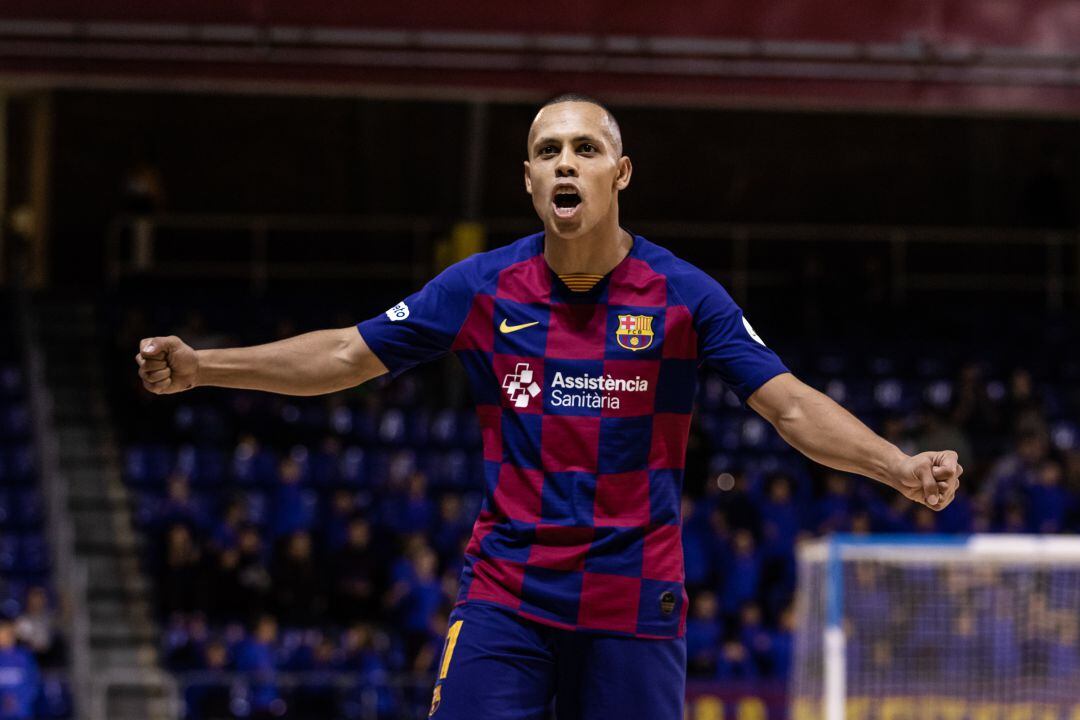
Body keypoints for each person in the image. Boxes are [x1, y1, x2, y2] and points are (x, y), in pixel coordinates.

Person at [134, 94, 963, 720]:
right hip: (509, 598)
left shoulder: (683, 295)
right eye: (548, 151)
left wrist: (896, 466)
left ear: (620, 173)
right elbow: (348, 354)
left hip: (633, 604)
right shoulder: (482, 287)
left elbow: (790, 408)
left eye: (585, 148)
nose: (566, 163)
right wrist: (204, 366)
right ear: (529, 180)